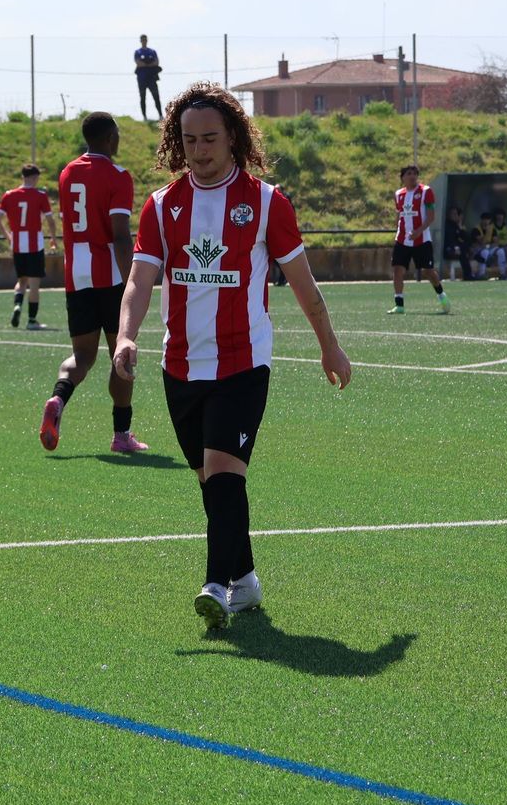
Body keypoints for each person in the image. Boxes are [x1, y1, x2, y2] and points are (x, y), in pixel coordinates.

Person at [112, 82, 351, 631]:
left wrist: (329, 345)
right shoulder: (162, 206)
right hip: (180, 366)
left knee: (223, 475)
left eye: (210, 138)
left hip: (244, 363)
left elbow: (304, 284)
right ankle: (245, 581)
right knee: (212, 484)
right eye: (189, 139)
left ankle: (216, 586)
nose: (199, 150)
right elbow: (140, 281)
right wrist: (126, 335)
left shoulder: (266, 203)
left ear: (233, 138)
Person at [38, 111, 149, 455]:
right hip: (109, 275)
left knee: (82, 356)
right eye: (117, 135)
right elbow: (119, 235)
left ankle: (58, 398)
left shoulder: (67, 173)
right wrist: (133, 280)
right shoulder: (118, 176)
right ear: (109, 138)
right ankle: (121, 434)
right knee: (122, 353)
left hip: (76, 275)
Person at [0, 163, 58, 330]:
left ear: (22, 177)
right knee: (34, 284)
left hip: (17, 244)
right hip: (34, 244)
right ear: (35, 177)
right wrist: (53, 239)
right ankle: (31, 320)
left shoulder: (9, 195)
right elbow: (50, 221)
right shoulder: (40, 196)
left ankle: (17, 305)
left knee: (21, 281)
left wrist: (8, 237)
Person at [388, 164, 450, 313]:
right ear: (402, 177)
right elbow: (399, 214)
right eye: (409, 173)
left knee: (428, 272)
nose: (412, 176)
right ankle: (399, 305)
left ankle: (442, 296)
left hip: (421, 239)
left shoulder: (425, 191)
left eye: (414, 173)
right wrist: (397, 229)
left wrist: (418, 231)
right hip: (402, 239)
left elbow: (431, 216)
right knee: (397, 269)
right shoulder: (399, 194)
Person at [134, 36, 163, 123]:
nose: (144, 41)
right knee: (143, 97)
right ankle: (145, 117)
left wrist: (146, 63)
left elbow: (156, 62)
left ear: (147, 40)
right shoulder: (138, 52)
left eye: (145, 39)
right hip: (142, 78)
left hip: (152, 78)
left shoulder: (152, 51)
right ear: (140, 41)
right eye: (142, 40)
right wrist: (149, 63)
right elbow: (138, 63)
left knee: (156, 96)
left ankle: (161, 116)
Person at [443, 205, 475, 282]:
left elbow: (466, 239)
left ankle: (469, 274)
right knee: (462, 251)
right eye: (452, 214)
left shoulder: (456, 226)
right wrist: (455, 247)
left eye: (456, 214)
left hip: (456, 249)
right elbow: (448, 240)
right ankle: (468, 275)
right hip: (447, 249)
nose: (454, 216)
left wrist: (460, 226)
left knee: (465, 248)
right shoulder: (446, 225)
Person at [471, 212, 506, 279]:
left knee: (501, 251)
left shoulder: (492, 229)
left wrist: (491, 245)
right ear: (481, 220)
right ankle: (481, 274)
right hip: (478, 250)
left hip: (489, 248)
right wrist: (487, 232)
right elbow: (481, 242)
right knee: (485, 252)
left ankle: (503, 274)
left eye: (488, 219)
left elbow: (496, 242)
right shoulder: (476, 229)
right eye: (484, 219)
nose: (486, 221)